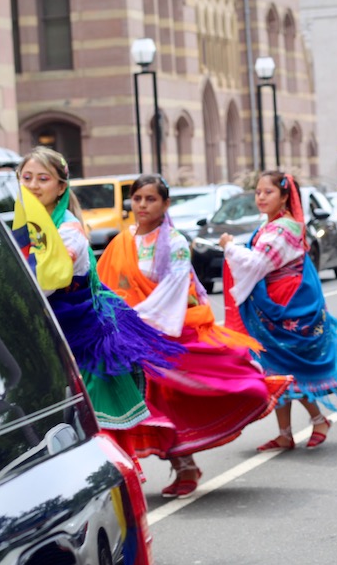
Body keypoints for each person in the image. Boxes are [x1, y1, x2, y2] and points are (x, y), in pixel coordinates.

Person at [97, 174, 291, 498]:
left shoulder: (174, 243)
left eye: (151, 199)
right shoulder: (121, 242)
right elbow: (104, 287)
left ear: (165, 204)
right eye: (138, 199)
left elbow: (173, 292)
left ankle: (184, 464)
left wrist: (136, 323)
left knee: (167, 400)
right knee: (132, 402)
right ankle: (129, 470)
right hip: (125, 338)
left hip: (162, 333)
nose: (143, 205)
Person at [15, 147, 184, 474]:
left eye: (43, 179)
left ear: (61, 187)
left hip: (82, 341)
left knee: (95, 432)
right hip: (48, 339)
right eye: (27, 178)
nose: (33, 186)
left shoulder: (68, 231)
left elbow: (44, 283)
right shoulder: (27, 225)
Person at [220, 171, 337, 451]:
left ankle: (318, 419)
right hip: (276, 305)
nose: (261, 197)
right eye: (258, 192)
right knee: (276, 370)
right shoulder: (273, 225)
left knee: (288, 370)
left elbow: (256, 265)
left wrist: (230, 247)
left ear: (285, 196)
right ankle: (285, 433)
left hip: (287, 307)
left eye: (268, 192)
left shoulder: (282, 229)